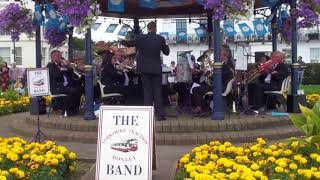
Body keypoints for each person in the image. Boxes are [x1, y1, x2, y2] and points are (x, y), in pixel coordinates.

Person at [118, 21, 170, 120]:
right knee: (157, 91)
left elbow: (130, 43)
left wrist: (121, 41)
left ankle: (148, 115)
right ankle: (159, 115)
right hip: (156, 69)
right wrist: (165, 44)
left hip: (144, 69)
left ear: (148, 29)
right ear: (156, 28)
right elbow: (166, 52)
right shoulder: (160, 39)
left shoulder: (141, 38)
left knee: (147, 91)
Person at [191, 44, 235, 115]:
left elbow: (217, 76)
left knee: (195, 89)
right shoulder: (227, 63)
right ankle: (203, 107)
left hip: (220, 88)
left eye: (220, 54)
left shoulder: (226, 65)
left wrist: (208, 74)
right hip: (220, 86)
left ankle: (200, 108)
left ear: (225, 55)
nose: (218, 56)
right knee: (200, 87)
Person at [47, 50, 81, 116]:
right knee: (73, 91)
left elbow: (72, 74)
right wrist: (62, 68)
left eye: (60, 55)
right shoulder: (50, 65)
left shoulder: (60, 65)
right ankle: (69, 110)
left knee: (78, 89)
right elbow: (57, 76)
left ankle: (74, 109)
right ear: (53, 57)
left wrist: (68, 67)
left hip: (63, 86)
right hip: (56, 88)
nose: (60, 57)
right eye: (58, 56)